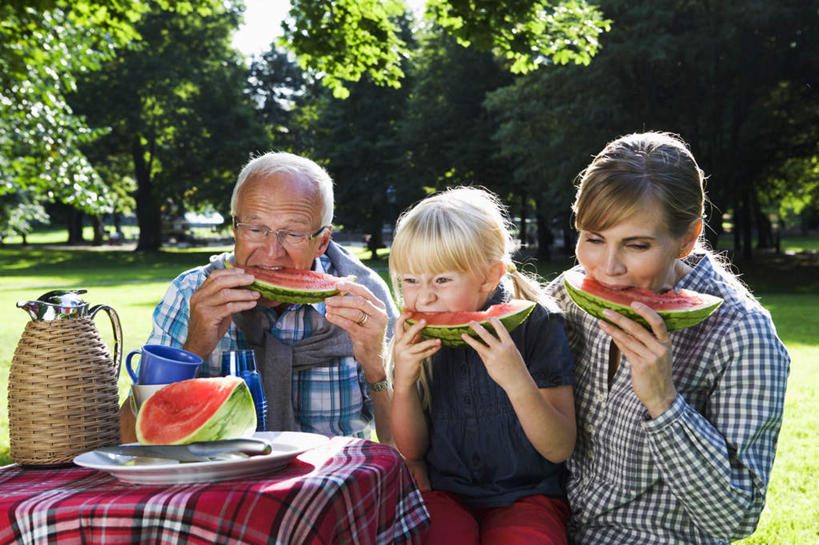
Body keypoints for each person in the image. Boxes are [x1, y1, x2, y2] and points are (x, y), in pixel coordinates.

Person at [544, 132, 790, 544]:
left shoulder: (742, 334)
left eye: (636, 245)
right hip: (553, 526)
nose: (607, 268)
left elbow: (735, 520)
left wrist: (664, 401)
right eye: (593, 239)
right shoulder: (568, 296)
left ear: (688, 238)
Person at [121, 151, 397, 443]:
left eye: (293, 234)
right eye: (255, 229)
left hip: (336, 482)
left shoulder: (363, 300)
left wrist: (377, 369)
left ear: (323, 242)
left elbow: (403, 446)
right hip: (219, 482)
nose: (271, 252)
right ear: (235, 229)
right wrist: (195, 347)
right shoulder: (191, 293)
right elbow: (129, 437)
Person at [388, 187, 576, 545]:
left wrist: (517, 381)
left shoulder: (538, 324)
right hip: (445, 493)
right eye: (410, 280)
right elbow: (411, 450)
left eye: (442, 279)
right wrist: (406, 382)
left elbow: (560, 447)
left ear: (489, 277)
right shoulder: (416, 332)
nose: (424, 296)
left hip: (528, 495)